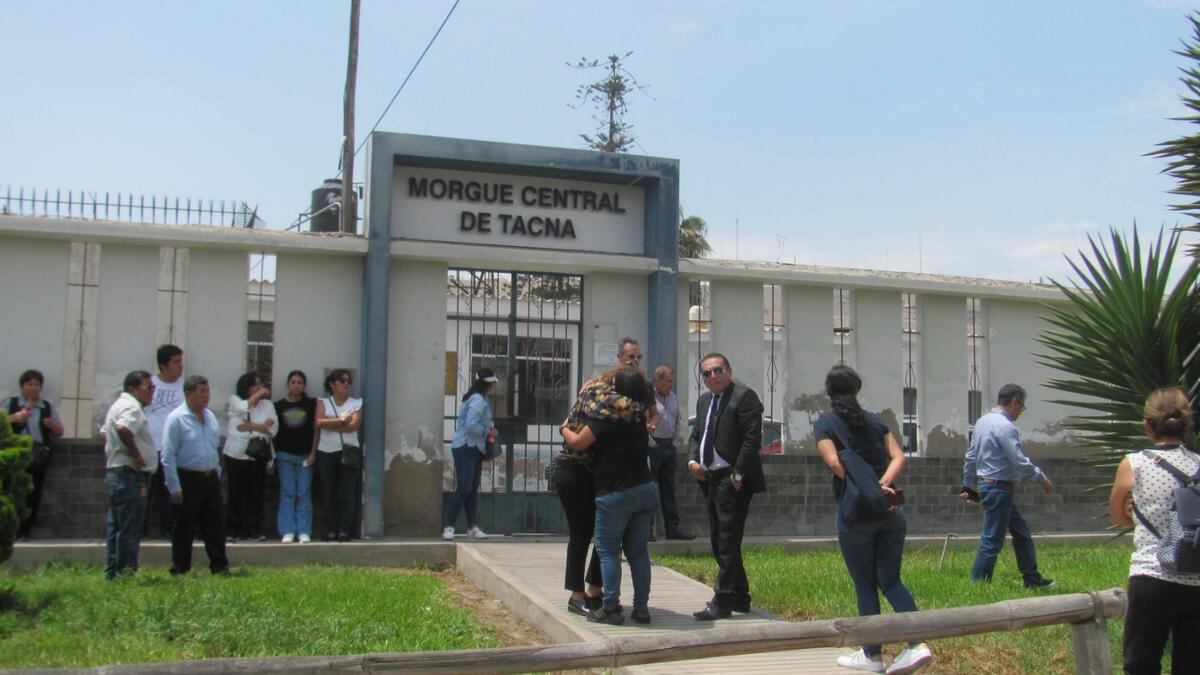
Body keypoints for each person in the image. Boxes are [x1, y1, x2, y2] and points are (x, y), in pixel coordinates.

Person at [814, 365, 932, 674]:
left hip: (856, 513)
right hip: (891, 508)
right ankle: (917, 644)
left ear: (829, 392)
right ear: (857, 389)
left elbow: (834, 462)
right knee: (891, 580)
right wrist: (882, 486)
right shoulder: (877, 421)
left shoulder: (825, 424)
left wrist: (866, 488)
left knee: (865, 584)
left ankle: (872, 655)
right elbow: (899, 457)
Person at [1108, 388, 1200, 675]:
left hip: (1152, 575)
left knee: (1141, 664)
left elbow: (1118, 517)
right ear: (1187, 426)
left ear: (1147, 426)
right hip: (1196, 579)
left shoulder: (1134, 463)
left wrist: (1134, 513)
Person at [561, 366, 658, 626]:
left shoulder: (606, 417)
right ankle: (641, 609)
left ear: (617, 391)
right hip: (645, 489)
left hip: (616, 494)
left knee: (608, 552)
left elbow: (577, 443)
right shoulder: (640, 416)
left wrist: (564, 428)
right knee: (638, 553)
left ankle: (611, 608)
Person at [687, 352, 766, 620]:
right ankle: (740, 597)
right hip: (709, 478)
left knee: (726, 539)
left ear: (729, 371)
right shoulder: (704, 401)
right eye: (707, 373)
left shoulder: (744, 397)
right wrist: (692, 461)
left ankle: (722, 600)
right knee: (720, 537)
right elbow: (696, 435)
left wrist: (739, 474)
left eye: (718, 370)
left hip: (732, 479)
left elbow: (752, 439)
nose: (713, 376)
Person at [959, 383, 1055, 587]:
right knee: (992, 539)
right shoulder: (1005, 426)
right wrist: (1042, 479)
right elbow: (1018, 460)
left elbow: (970, 456)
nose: (1021, 411)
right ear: (1014, 402)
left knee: (1021, 532)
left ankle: (1032, 578)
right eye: (1022, 406)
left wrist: (966, 484)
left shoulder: (982, 422)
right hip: (999, 488)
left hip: (991, 486)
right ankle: (978, 584)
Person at [161, 375, 228, 575]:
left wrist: (216, 472)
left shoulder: (210, 417)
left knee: (215, 523)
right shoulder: (176, 419)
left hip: (209, 477)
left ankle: (219, 565)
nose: (206, 396)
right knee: (184, 524)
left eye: (207, 391)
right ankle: (180, 567)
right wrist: (174, 487)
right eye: (201, 391)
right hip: (187, 477)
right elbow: (168, 455)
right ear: (189, 394)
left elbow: (214, 447)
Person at [100, 371, 156, 580]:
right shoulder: (132, 407)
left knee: (116, 526)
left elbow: (104, 432)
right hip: (130, 474)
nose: (152, 391)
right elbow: (123, 428)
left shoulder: (118, 405)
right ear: (132, 389)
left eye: (153, 387)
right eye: (148, 387)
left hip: (117, 472)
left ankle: (113, 571)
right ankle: (125, 574)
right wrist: (136, 455)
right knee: (129, 528)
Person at [6, 369, 64, 539]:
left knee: (33, 493)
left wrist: (52, 425)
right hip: (14, 455)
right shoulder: (11, 403)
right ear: (22, 386)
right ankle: (9, 528)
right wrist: (13, 418)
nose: (33, 388)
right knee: (11, 489)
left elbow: (60, 431)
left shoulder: (46, 407)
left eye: (37, 384)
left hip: (37, 456)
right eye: (30, 384)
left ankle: (24, 529)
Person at [443, 368, 497, 541]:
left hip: (474, 447)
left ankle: (472, 526)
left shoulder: (479, 398)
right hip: (467, 446)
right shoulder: (478, 400)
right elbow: (471, 424)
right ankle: (449, 526)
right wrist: (488, 432)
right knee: (465, 488)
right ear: (487, 384)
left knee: (472, 489)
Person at [222, 372, 277, 542]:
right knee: (235, 492)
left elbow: (273, 428)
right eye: (256, 385)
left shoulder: (268, 405)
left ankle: (254, 529)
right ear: (247, 387)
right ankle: (232, 529)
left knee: (256, 493)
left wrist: (251, 426)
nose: (260, 388)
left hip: (258, 455)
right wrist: (260, 426)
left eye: (260, 385)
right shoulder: (234, 400)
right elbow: (241, 410)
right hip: (236, 454)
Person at [315, 369, 362, 542]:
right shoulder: (323, 402)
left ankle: (344, 530)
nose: (346, 384)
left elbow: (354, 426)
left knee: (347, 493)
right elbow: (319, 422)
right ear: (332, 384)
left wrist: (330, 424)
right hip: (326, 452)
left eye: (349, 381)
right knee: (329, 493)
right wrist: (342, 421)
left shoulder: (355, 403)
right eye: (342, 381)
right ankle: (331, 529)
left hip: (348, 451)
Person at [649, 365, 693, 540]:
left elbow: (676, 420)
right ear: (658, 380)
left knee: (669, 489)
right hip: (653, 446)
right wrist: (651, 442)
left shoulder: (673, 397)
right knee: (651, 489)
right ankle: (648, 530)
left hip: (669, 446)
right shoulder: (650, 397)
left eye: (672, 381)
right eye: (668, 381)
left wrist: (674, 443)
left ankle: (672, 529)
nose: (670, 384)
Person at [144, 344, 184, 539]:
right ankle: (142, 529)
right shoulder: (149, 385)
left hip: (174, 449)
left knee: (171, 491)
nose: (180, 366)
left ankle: (169, 530)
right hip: (150, 447)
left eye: (181, 361)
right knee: (146, 491)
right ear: (163, 365)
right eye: (176, 362)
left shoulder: (184, 387)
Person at [274, 370, 317, 543]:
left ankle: (304, 531)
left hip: (306, 455)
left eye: (300, 382)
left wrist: (313, 452)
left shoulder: (312, 404)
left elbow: (316, 430)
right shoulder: (279, 406)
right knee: (288, 493)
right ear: (288, 385)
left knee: (304, 493)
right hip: (285, 454)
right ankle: (287, 530)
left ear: (304, 386)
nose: (296, 385)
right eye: (293, 382)